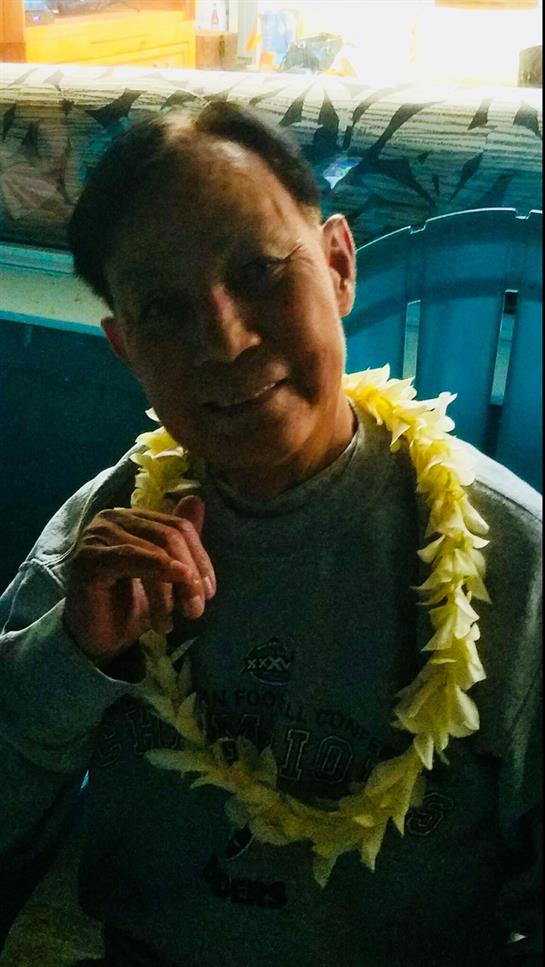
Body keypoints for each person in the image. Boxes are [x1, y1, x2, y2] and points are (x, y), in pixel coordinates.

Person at [0, 102, 541, 967]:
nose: (224, 340)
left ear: (336, 265)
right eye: (164, 312)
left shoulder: (513, 558)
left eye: (257, 270)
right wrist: (72, 657)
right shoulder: (101, 538)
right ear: (124, 348)